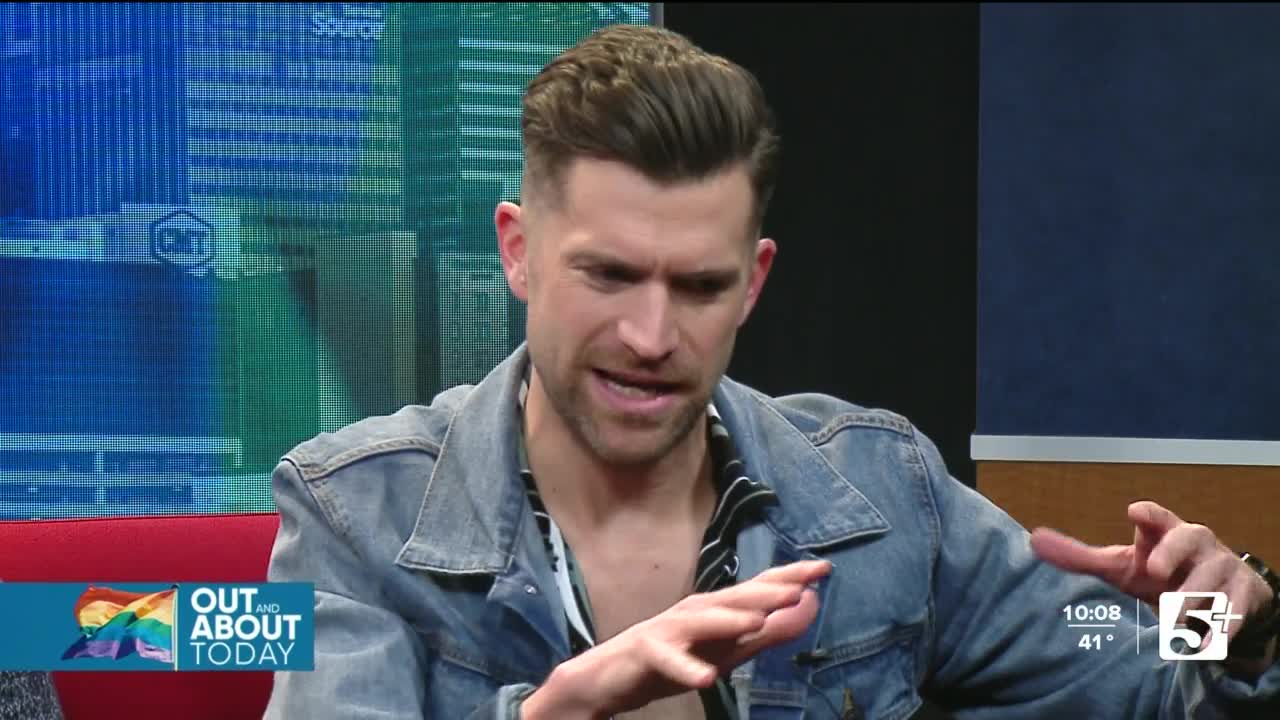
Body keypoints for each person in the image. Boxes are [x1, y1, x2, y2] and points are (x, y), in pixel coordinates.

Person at [263, 23, 1280, 719]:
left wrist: (1231, 629)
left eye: (699, 286)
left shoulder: (885, 488)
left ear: (752, 283)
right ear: (518, 253)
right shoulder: (348, 513)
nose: (651, 335)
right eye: (609, 275)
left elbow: (1149, 684)